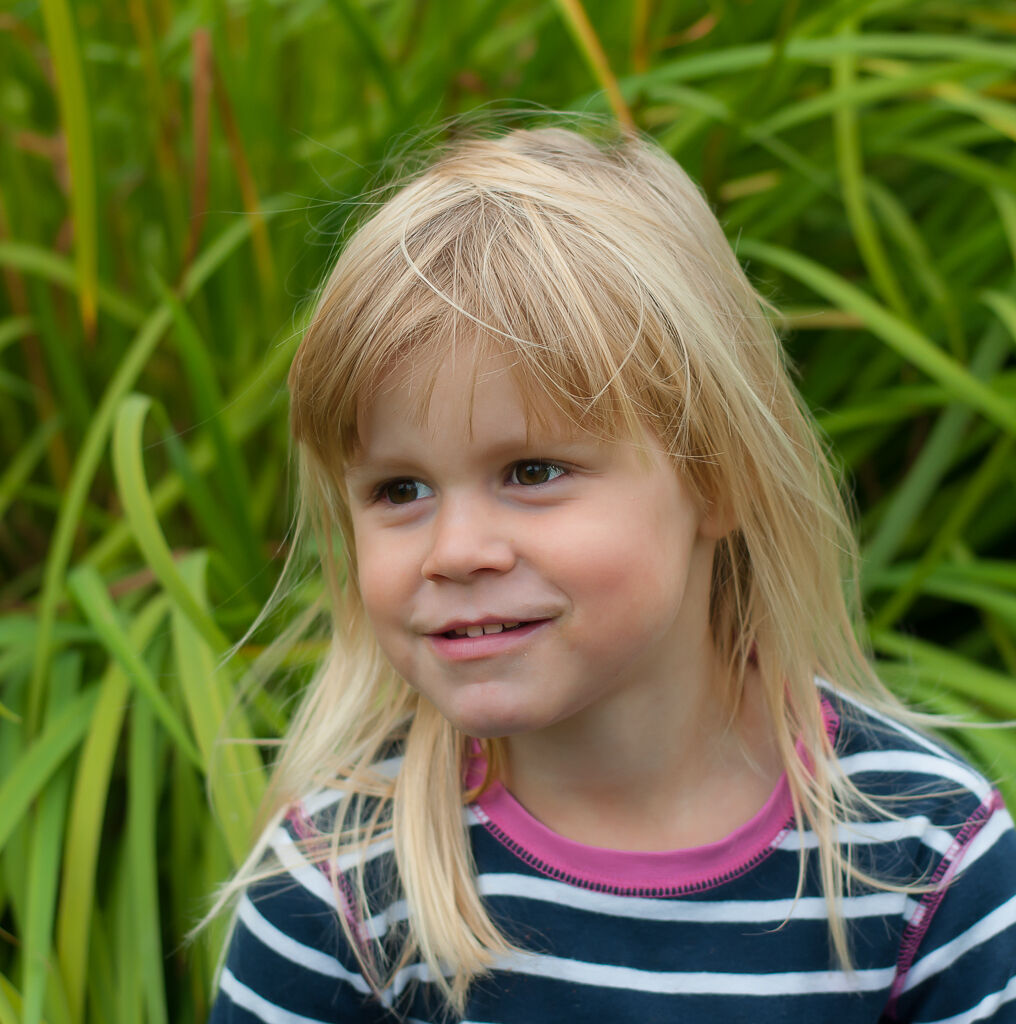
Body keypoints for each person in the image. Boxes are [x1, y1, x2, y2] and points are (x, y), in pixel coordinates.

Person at [207, 124, 1016, 1023]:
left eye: (532, 472)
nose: (455, 550)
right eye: (401, 490)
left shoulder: (925, 858)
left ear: (718, 479)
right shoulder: (340, 891)